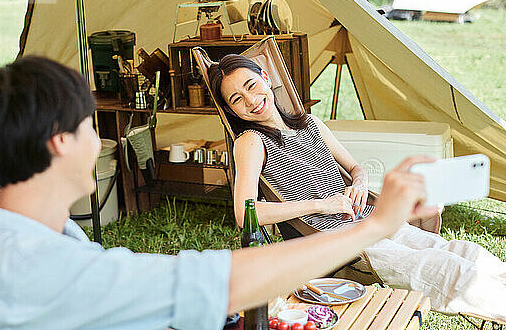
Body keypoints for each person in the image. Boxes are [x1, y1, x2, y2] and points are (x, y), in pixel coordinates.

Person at [0, 56, 437, 330]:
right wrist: (376, 224)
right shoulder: (39, 270)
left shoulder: (13, 234)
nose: (100, 141)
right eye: (92, 126)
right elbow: (220, 281)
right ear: (60, 140)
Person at [207, 53, 506, 321]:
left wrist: (360, 185)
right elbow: (245, 212)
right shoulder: (250, 141)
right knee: (443, 268)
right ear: (233, 111)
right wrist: (322, 205)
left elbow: (355, 168)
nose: (250, 100)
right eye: (236, 99)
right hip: (338, 242)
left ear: (266, 78)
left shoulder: (310, 123)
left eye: (250, 85)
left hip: (369, 220)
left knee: (460, 251)